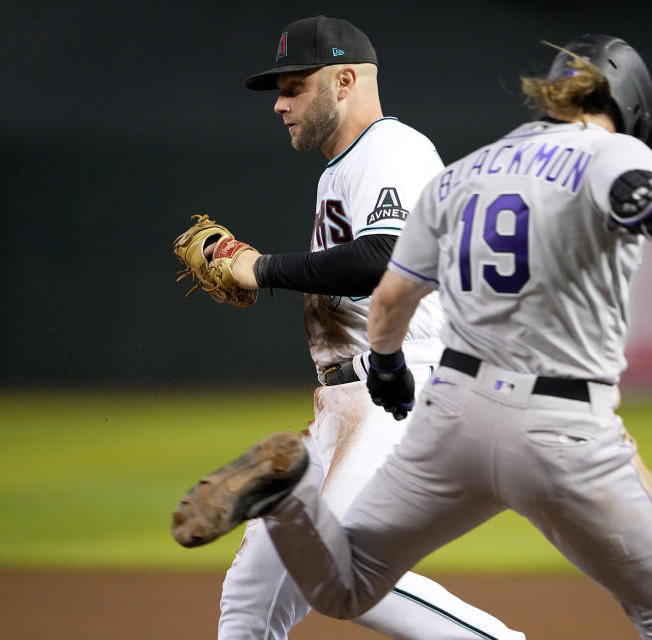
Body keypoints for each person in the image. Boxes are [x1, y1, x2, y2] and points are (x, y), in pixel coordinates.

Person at [172, 34, 652, 640]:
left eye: (293, 86)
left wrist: (392, 366)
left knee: (344, 581)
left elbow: (394, 285)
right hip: (562, 423)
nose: (281, 103)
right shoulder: (610, 150)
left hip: (455, 411)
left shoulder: (474, 166)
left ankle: (288, 501)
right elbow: (648, 202)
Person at [194, 15, 526, 640]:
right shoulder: (338, 172)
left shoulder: (393, 149)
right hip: (346, 400)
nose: (280, 105)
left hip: (404, 390)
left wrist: (259, 269)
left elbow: (384, 259)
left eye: (293, 87)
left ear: (344, 80)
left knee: (347, 565)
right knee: (251, 595)